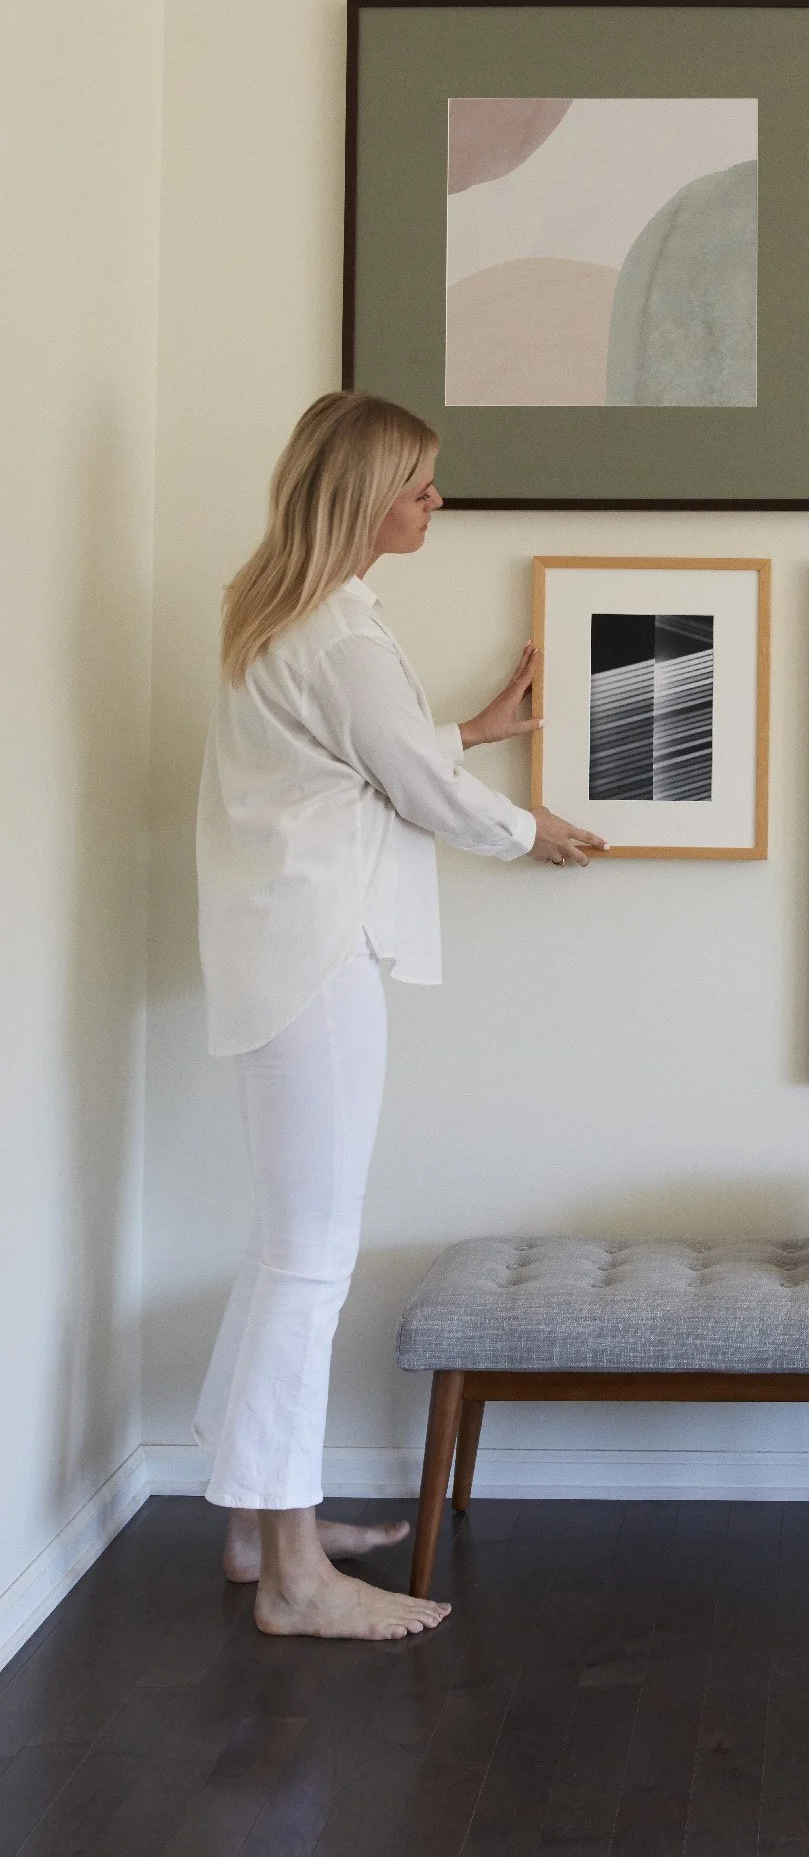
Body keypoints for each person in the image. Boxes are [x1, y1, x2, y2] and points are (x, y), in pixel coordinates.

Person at [192, 392, 604, 1640]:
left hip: (288, 954)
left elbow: (355, 759)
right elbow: (416, 791)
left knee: (287, 1249)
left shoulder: (298, 618)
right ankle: (295, 1581)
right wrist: (527, 825)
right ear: (364, 494)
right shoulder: (337, 634)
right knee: (309, 1259)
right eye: (420, 484)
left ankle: (260, 1520)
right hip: (318, 962)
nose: (437, 501)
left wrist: (473, 727)